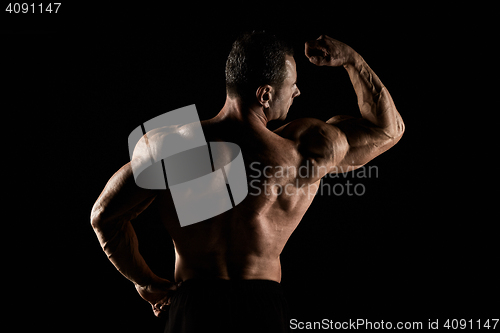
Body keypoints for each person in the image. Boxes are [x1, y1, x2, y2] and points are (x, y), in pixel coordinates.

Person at [90, 32, 404, 332]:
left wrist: (147, 282)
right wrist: (353, 60)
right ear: (265, 94)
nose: (297, 92)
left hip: (196, 305)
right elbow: (388, 130)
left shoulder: (170, 147)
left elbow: (104, 216)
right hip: (262, 308)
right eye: (291, 85)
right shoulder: (305, 149)